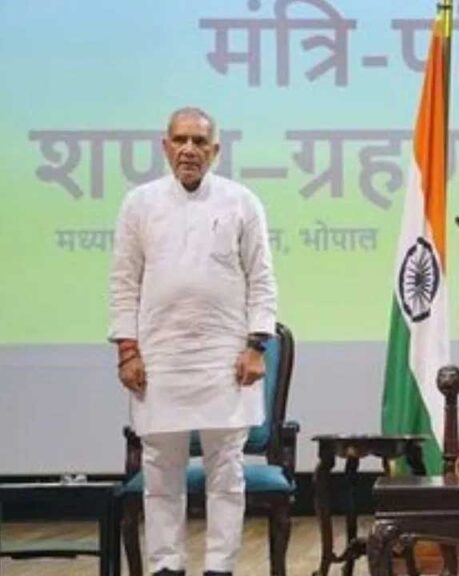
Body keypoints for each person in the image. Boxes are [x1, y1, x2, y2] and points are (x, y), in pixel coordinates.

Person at [109, 107, 278, 576]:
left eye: (199, 142)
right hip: (159, 357)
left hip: (226, 357)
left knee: (227, 468)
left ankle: (220, 567)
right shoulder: (139, 203)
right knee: (161, 470)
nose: (189, 150)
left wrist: (256, 346)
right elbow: (123, 282)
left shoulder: (242, 201)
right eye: (180, 140)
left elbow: (262, 279)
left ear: (215, 150)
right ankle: (167, 567)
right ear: (165, 146)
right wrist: (127, 351)